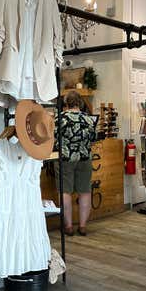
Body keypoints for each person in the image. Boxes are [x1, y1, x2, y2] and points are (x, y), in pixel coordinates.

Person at [54, 91, 96, 236]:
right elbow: (93, 138)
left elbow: (53, 138)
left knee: (65, 191)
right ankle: (83, 226)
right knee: (84, 191)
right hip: (85, 158)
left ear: (66, 103)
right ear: (80, 103)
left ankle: (69, 226)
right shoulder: (89, 119)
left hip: (65, 158)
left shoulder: (60, 118)